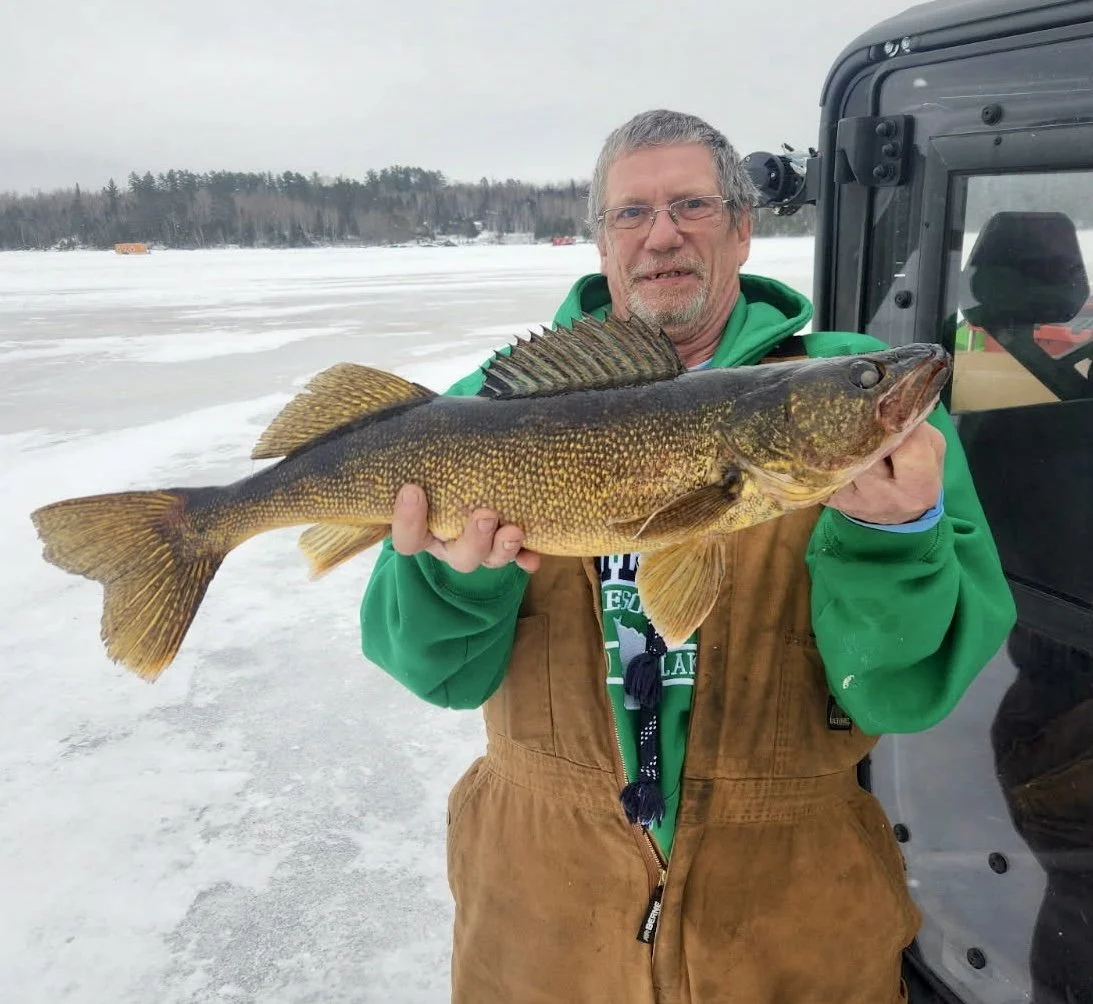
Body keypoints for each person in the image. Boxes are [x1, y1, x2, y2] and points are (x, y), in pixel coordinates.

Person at [360, 109, 1016, 1004]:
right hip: (540, 918)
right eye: (631, 213)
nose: (660, 234)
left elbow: (904, 691)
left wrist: (891, 538)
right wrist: (450, 575)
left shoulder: (866, 411)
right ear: (601, 240)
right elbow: (434, 671)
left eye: (692, 206)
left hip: (794, 922)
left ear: (743, 228)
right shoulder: (488, 410)